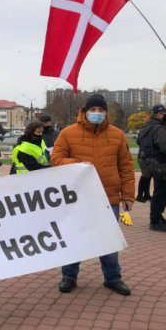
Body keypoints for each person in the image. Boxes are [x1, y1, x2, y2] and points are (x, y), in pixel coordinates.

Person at [51, 93, 134, 296]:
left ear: (106, 113)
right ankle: (69, 276)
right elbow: (56, 159)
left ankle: (113, 279)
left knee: (108, 240)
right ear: (85, 111)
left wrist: (128, 196)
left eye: (101, 110)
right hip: (77, 197)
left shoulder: (117, 135)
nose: (97, 113)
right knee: (74, 237)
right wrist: (77, 164)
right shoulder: (68, 133)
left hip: (108, 197)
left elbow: (126, 166)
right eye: (93, 110)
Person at [137, 105, 166, 232]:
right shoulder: (159, 129)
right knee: (163, 190)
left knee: (164, 190)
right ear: (158, 115)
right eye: (164, 114)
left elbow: (139, 143)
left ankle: (157, 215)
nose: (165, 116)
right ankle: (155, 220)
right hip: (160, 164)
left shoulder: (145, 127)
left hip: (149, 162)